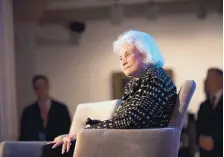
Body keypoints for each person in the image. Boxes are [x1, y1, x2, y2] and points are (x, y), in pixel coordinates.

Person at [38, 30, 177, 157]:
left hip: (134, 147)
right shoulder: (142, 80)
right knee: (54, 148)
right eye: (121, 58)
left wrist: (83, 133)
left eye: (127, 54)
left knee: (50, 152)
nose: (123, 61)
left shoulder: (154, 77)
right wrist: (83, 132)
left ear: (144, 53)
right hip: (124, 143)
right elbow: (123, 120)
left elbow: (129, 121)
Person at [19, 75, 71, 141]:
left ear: (47, 86)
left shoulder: (61, 109)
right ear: (34, 89)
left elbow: (67, 132)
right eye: (38, 87)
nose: (41, 90)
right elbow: (24, 136)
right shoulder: (28, 112)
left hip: (57, 147)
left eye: (43, 86)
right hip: (34, 148)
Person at [196, 68, 223, 157]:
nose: (206, 81)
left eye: (210, 78)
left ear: (220, 80)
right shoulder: (203, 106)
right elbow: (198, 127)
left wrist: (215, 141)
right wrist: (200, 139)